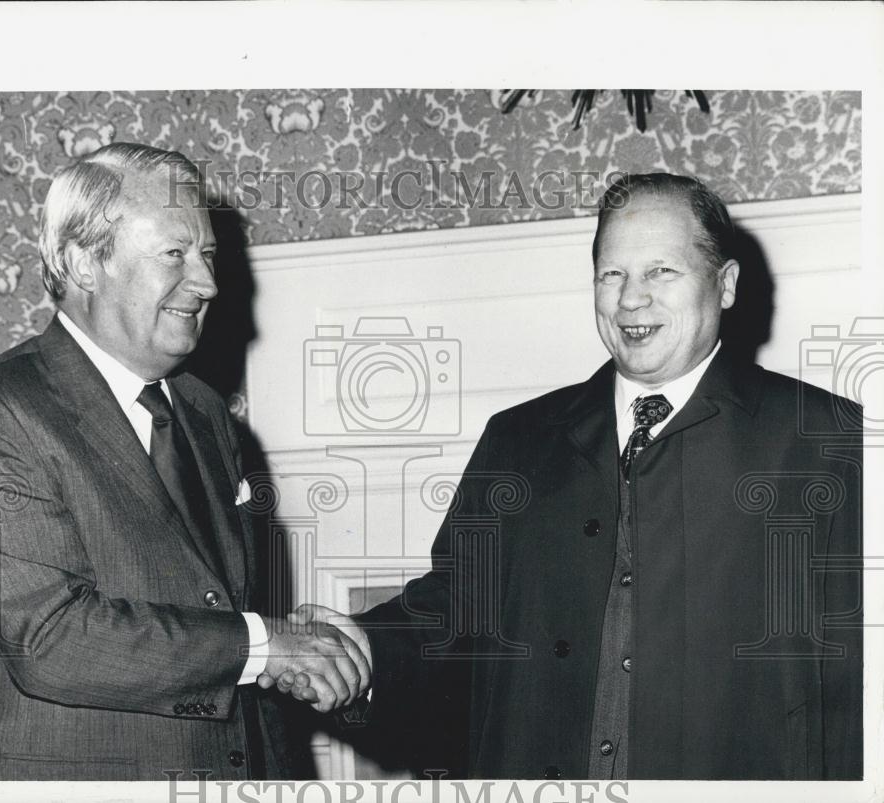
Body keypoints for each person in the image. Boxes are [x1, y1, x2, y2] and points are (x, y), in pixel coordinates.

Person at [271, 173, 863, 780]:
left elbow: (859, 682)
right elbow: (455, 614)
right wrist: (364, 648)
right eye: (612, 274)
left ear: (727, 284)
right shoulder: (518, 439)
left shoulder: (829, 442)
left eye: (661, 272)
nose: (631, 299)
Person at [0, 142, 369, 781]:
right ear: (83, 261)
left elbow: (218, 626)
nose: (209, 282)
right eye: (175, 254)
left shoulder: (206, 413)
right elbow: (53, 641)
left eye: (207, 254)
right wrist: (268, 645)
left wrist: (292, 664)